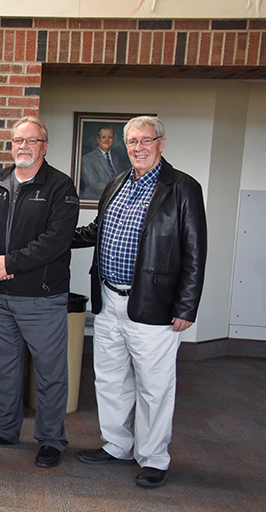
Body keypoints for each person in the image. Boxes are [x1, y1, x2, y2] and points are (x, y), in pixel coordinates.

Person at [73, 116, 207, 488]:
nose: (138, 147)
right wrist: (53, 237)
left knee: (154, 386)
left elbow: (195, 251)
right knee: (111, 379)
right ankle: (117, 444)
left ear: (161, 143)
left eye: (146, 140)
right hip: (108, 299)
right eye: (132, 141)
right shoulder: (116, 183)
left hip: (154, 304)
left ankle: (153, 457)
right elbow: (98, 230)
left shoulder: (182, 188)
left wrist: (187, 306)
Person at [0, 116, 79, 468]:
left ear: (44, 147)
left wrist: (9, 263)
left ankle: (51, 440)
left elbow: (55, 241)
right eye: (17, 141)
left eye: (31, 141)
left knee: (50, 372)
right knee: (4, 368)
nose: (23, 147)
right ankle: (3, 428)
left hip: (41, 298)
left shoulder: (60, 186)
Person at [80, 126, 127, 200]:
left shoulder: (117, 158)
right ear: (98, 139)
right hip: (95, 200)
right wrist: (117, 190)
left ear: (113, 139)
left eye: (110, 137)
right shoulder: (87, 159)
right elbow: (94, 185)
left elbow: (123, 179)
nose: (107, 140)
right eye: (103, 137)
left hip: (116, 200)